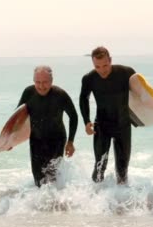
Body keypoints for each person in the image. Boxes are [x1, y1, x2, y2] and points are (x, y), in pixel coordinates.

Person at [79, 46, 137, 185]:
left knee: (122, 169)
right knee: (99, 166)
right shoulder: (89, 78)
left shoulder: (126, 72)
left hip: (123, 125)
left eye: (105, 65)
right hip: (102, 126)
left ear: (110, 60)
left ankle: (121, 202)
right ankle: (95, 200)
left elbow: (141, 94)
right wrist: (86, 121)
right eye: (97, 66)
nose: (102, 70)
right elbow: (83, 99)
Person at [18, 65, 78, 187]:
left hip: (57, 140)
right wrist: (10, 141)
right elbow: (18, 116)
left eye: (45, 82)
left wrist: (70, 142)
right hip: (36, 141)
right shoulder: (28, 92)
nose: (41, 86)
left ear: (51, 81)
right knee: (38, 179)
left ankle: (57, 204)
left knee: (52, 177)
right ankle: (41, 205)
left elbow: (74, 116)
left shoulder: (60, 95)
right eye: (38, 82)